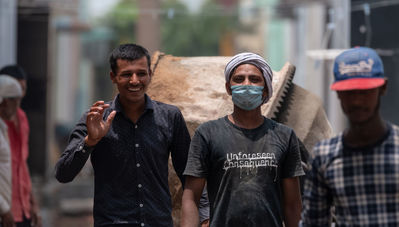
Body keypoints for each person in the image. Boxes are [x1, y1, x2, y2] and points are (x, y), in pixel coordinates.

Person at [55, 43, 208, 227]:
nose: (135, 81)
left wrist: (205, 215)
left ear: (150, 75)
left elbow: (190, 174)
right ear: (113, 77)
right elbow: (63, 174)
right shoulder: (95, 119)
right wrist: (90, 141)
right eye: (127, 74)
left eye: (141, 74)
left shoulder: (170, 117)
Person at [181, 52, 305, 227]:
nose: (246, 85)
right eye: (239, 79)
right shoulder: (207, 134)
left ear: (266, 89)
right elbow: (191, 198)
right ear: (228, 87)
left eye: (254, 79)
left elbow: (292, 205)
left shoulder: (284, 135)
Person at [301, 47, 399, 226]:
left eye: (364, 92)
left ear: (383, 88)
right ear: (338, 93)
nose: (356, 101)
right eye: (349, 92)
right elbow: (313, 222)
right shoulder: (324, 156)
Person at [0, 66, 41, 227]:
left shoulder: (21, 118)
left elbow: (22, 164)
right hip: (6, 208)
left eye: (22, 90)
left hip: (21, 208)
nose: (20, 96)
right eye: (15, 90)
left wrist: (33, 203)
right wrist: (3, 208)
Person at [0, 75, 23, 227]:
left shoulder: (3, 127)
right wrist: (4, 209)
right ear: (6, 102)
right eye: (16, 102)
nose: (17, 107)